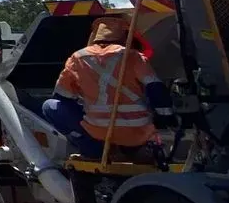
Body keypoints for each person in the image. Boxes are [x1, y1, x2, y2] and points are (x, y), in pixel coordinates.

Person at [43, 14, 170, 159]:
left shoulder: (77, 58)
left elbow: (62, 97)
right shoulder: (134, 57)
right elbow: (156, 90)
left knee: (50, 106)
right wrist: (166, 119)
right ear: (123, 37)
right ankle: (131, 150)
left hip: (98, 133)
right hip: (136, 134)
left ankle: (92, 149)